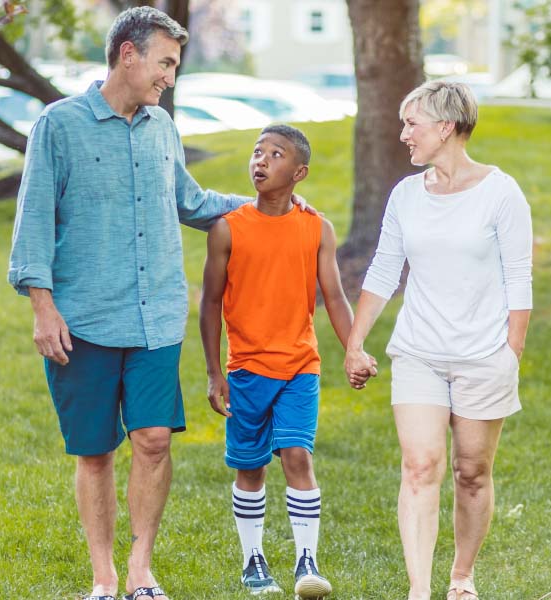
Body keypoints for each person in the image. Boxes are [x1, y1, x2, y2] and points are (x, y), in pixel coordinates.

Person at [7, 8, 312, 600]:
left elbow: (192, 202)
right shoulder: (59, 125)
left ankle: (142, 571)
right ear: (128, 54)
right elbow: (34, 222)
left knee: (153, 440)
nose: (170, 76)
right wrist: (43, 307)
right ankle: (104, 579)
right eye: (165, 62)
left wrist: (270, 208)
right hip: (83, 320)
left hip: (155, 317)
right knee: (95, 453)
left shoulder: (160, 127)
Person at [343, 80, 533, 600]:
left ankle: (461, 577)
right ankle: (419, 590)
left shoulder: (501, 192)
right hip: (419, 353)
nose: (403, 134)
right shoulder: (406, 195)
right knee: (421, 464)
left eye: (412, 123)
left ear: (446, 127)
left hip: (483, 355)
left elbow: (519, 277)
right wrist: (355, 342)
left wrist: (510, 352)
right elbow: (384, 271)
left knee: (471, 471)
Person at [199, 124, 371, 599]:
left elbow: (334, 296)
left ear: (299, 173)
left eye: (275, 155)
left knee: (298, 456)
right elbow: (210, 303)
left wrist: (353, 347)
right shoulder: (227, 228)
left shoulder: (317, 228)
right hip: (245, 371)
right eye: (257, 152)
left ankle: (306, 561)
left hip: (300, 367)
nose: (261, 161)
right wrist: (215, 372)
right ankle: (253, 560)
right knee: (251, 468)